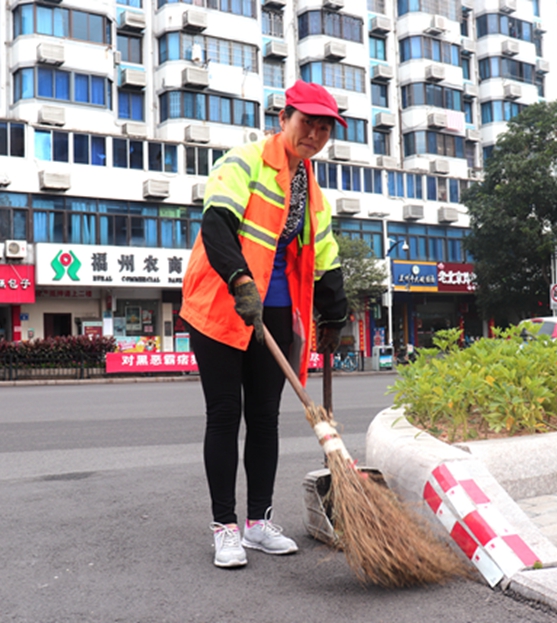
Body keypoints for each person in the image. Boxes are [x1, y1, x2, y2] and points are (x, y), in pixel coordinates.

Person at [180, 80, 348, 569]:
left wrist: (335, 313)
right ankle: (225, 528)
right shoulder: (243, 161)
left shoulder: (311, 188)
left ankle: (258, 523)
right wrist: (239, 281)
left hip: (274, 311)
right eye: (306, 123)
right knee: (225, 414)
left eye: (323, 128)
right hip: (220, 304)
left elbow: (324, 252)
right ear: (283, 118)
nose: (314, 134)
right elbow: (217, 224)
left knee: (266, 418)